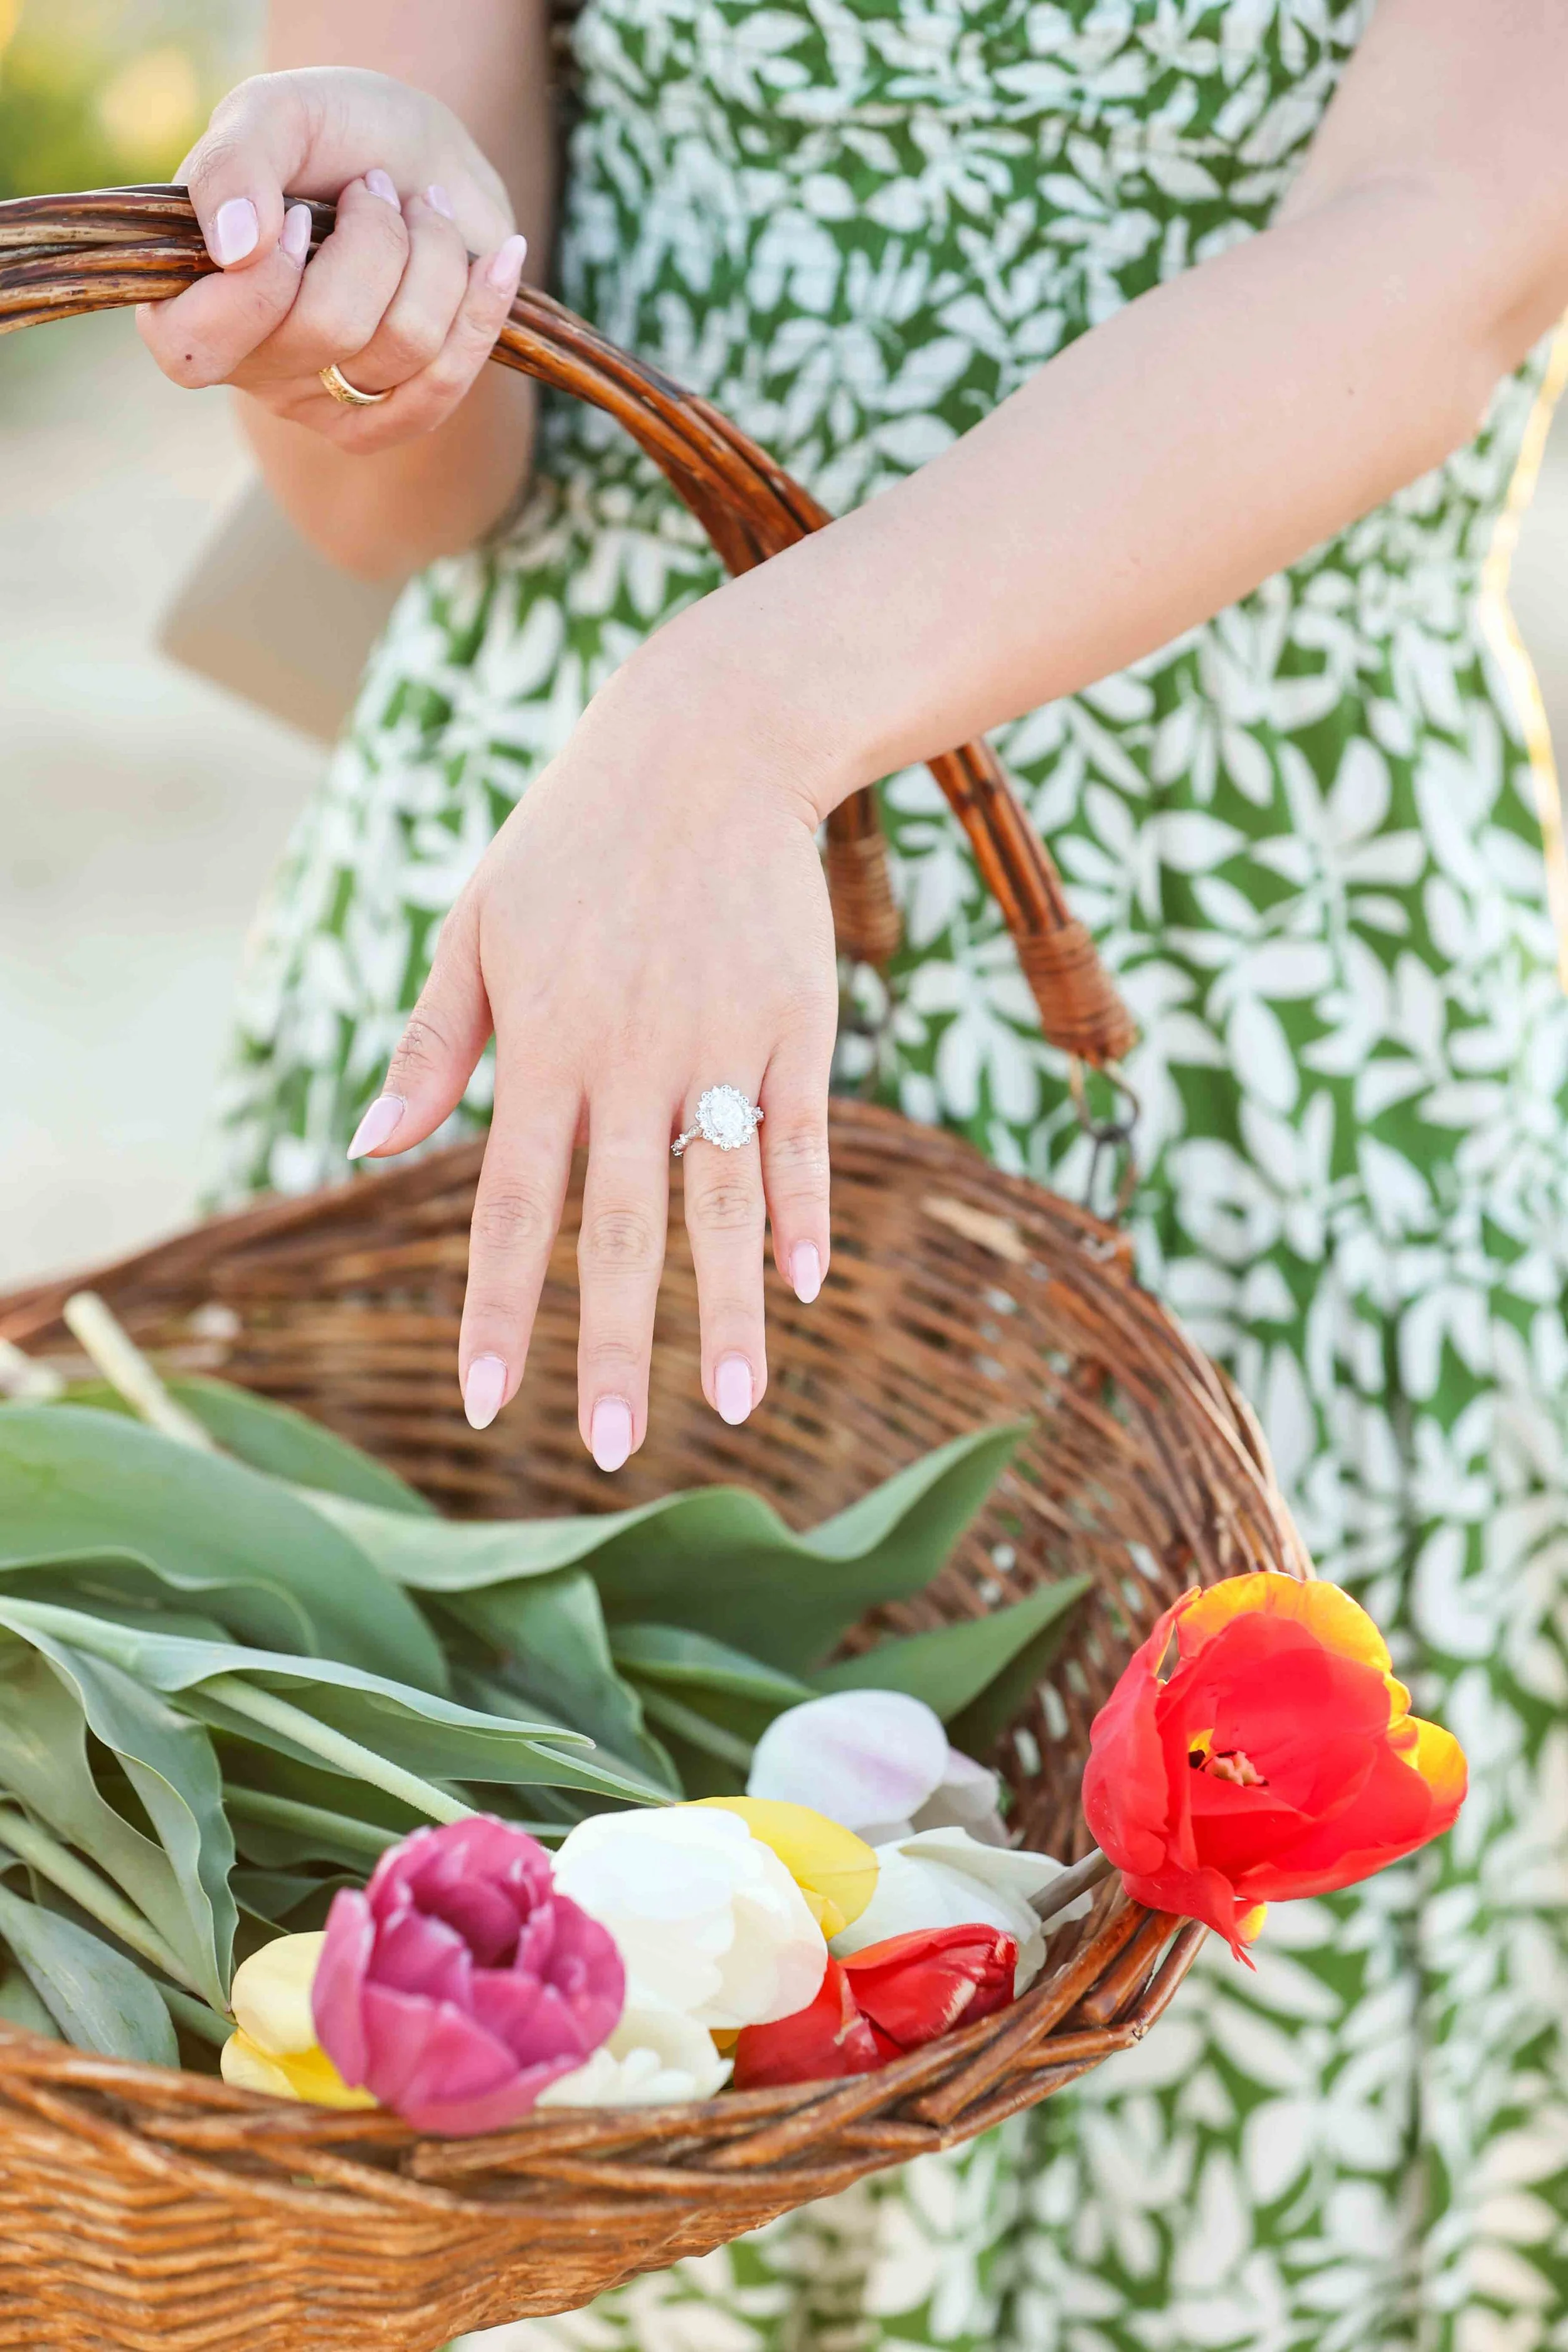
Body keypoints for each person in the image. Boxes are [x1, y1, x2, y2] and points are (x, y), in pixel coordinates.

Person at [138, 1, 1568, 2343]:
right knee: (483, 2010)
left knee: (1192, 2078)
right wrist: (371, 290)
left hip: (1237, 966)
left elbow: (1452, 232)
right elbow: (400, 499)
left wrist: (731, 720)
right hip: (571, 964)